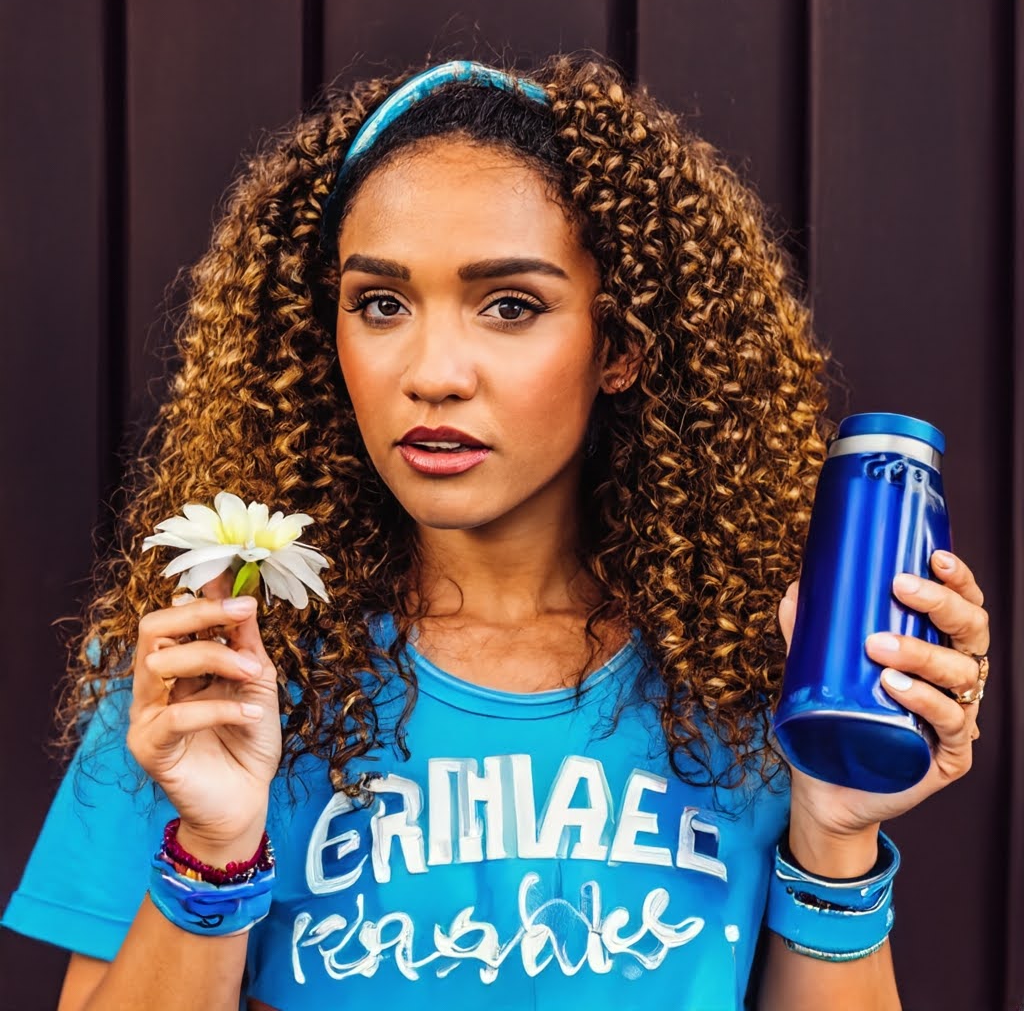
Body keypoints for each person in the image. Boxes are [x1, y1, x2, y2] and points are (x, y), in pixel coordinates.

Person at [1, 55, 989, 1011]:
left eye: (509, 306)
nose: (433, 371)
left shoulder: (759, 672)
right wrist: (212, 852)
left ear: (619, 344)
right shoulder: (216, 664)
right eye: (380, 303)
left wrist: (832, 825)